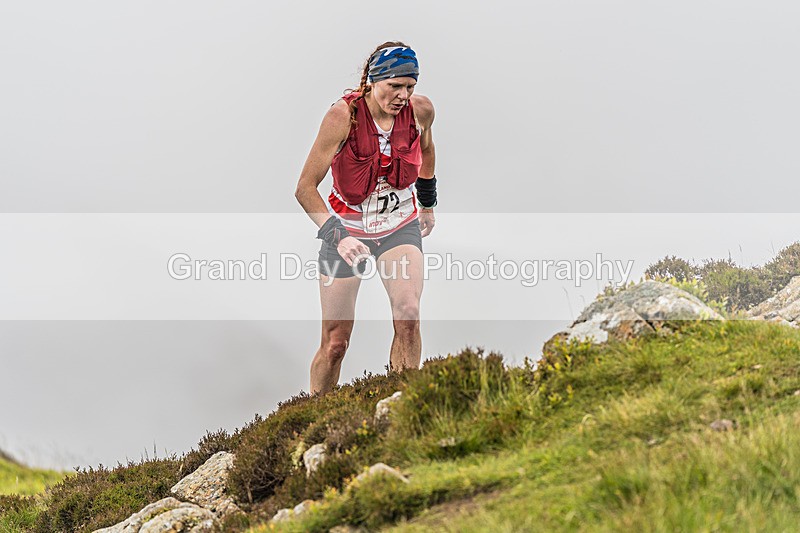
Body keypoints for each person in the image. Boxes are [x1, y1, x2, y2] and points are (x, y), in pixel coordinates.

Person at [294, 42, 437, 394]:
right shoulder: (342, 117)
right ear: (373, 81)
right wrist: (339, 236)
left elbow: (428, 150)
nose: (404, 95)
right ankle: (316, 415)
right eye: (395, 86)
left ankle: (400, 404)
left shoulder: (421, 112)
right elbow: (304, 189)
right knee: (335, 342)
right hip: (345, 235)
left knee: (408, 314)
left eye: (410, 86)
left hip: (398, 228)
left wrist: (428, 203)